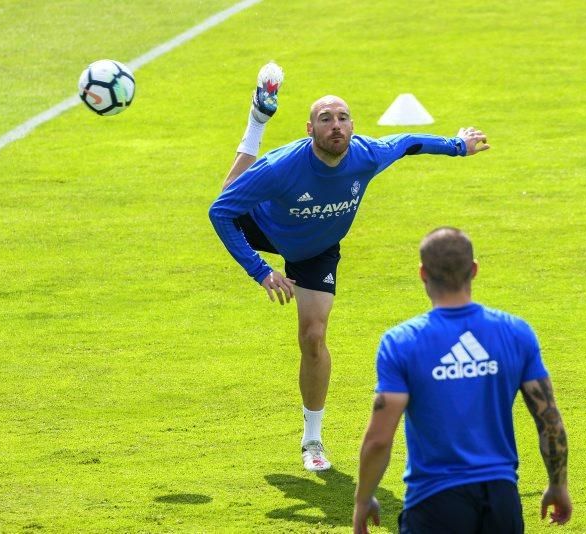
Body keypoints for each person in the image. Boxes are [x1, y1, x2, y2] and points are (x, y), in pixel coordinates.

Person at [208, 63, 490, 472]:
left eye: (342, 118)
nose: (336, 126)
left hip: (314, 250)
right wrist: (260, 270)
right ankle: (258, 119)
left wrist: (457, 145)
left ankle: (312, 439)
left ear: (353, 126)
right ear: (310, 130)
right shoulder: (281, 167)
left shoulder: (366, 155)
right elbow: (220, 213)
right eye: (326, 119)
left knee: (313, 336)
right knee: (230, 195)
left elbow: (408, 141)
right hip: (265, 226)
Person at [352, 227, 572, 533]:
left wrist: (363, 499)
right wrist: (557, 484)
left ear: (422, 273)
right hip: (501, 500)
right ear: (474, 270)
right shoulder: (515, 333)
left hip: (434, 503)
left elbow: (378, 440)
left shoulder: (402, 342)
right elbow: (549, 421)